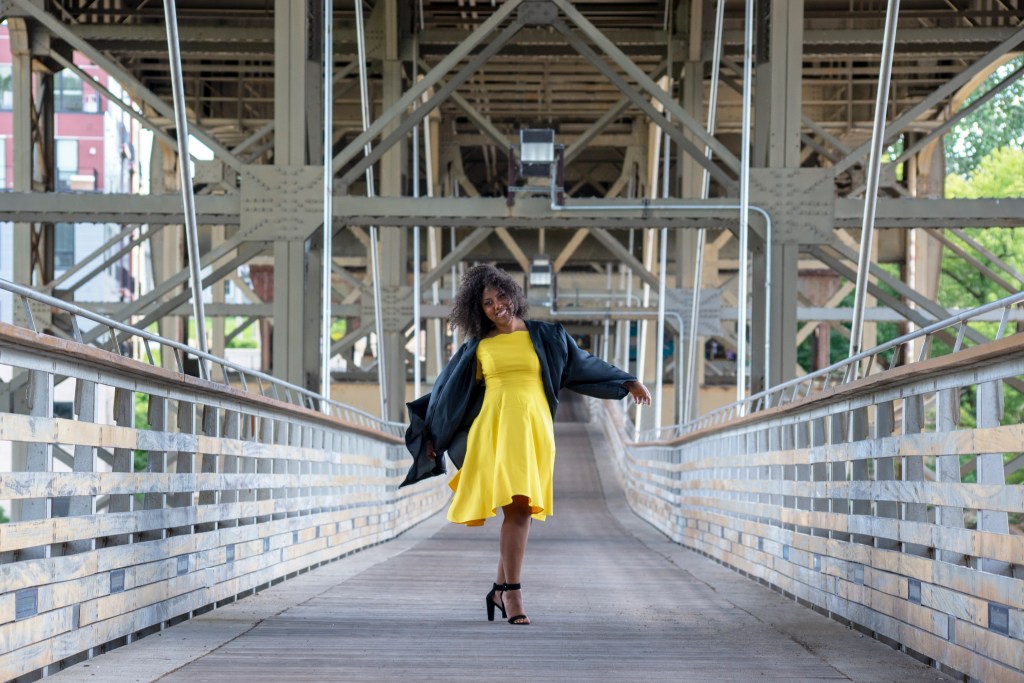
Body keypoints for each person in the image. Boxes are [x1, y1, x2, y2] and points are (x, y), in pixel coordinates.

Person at [402, 264, 651, 626]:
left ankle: (498, 589)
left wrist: (627, 381)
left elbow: (582, 365)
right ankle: (513, 594)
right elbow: (447, 394)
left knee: (521, 511)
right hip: (496, 432)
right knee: (518, 509)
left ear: (513, 295)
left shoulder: (548, 336)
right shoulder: (478, 347)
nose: (497, 306)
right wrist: (432, 438)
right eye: (487, 303)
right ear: (479, 310)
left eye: (501, 296)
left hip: (536, 431)